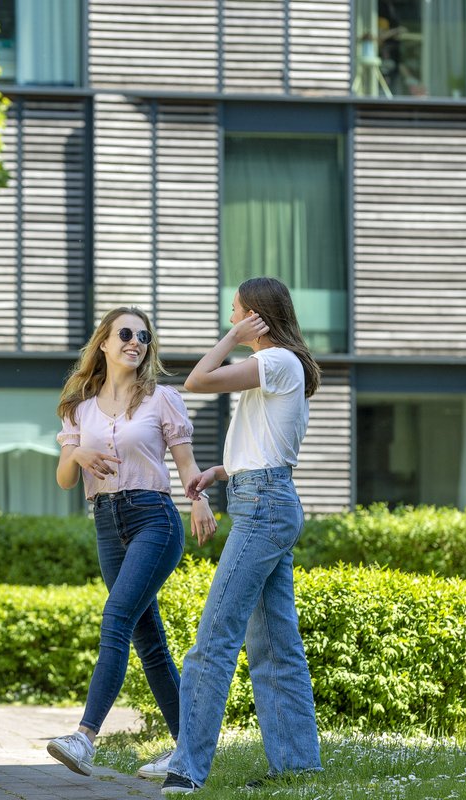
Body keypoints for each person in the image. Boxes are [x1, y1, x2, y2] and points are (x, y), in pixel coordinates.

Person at [160, 277, 323, 795]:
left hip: (265, 509)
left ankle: (187, 769)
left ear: (256, 316)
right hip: (263, 498)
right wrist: (222, 472)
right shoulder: (278, 370)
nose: (230, 321)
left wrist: (231, 340)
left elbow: (196, 381)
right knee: (275, 644)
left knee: (214, 639)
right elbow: (268, 442)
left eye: (236, 314)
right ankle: (297, 766)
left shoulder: (276, 362)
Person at [47, 306, 217, 781]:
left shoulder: (162, 399)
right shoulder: (78, 407)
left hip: (155, 521)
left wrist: (198, 500)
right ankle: (188, 748)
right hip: (106, 520)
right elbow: (64, 479)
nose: (135, 342)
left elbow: (184, 462)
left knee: (117, 617)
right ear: (103, 342)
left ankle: (84, 737)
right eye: (125, 333)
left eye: (143, 336)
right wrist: (76, 452)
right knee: (149, 641)